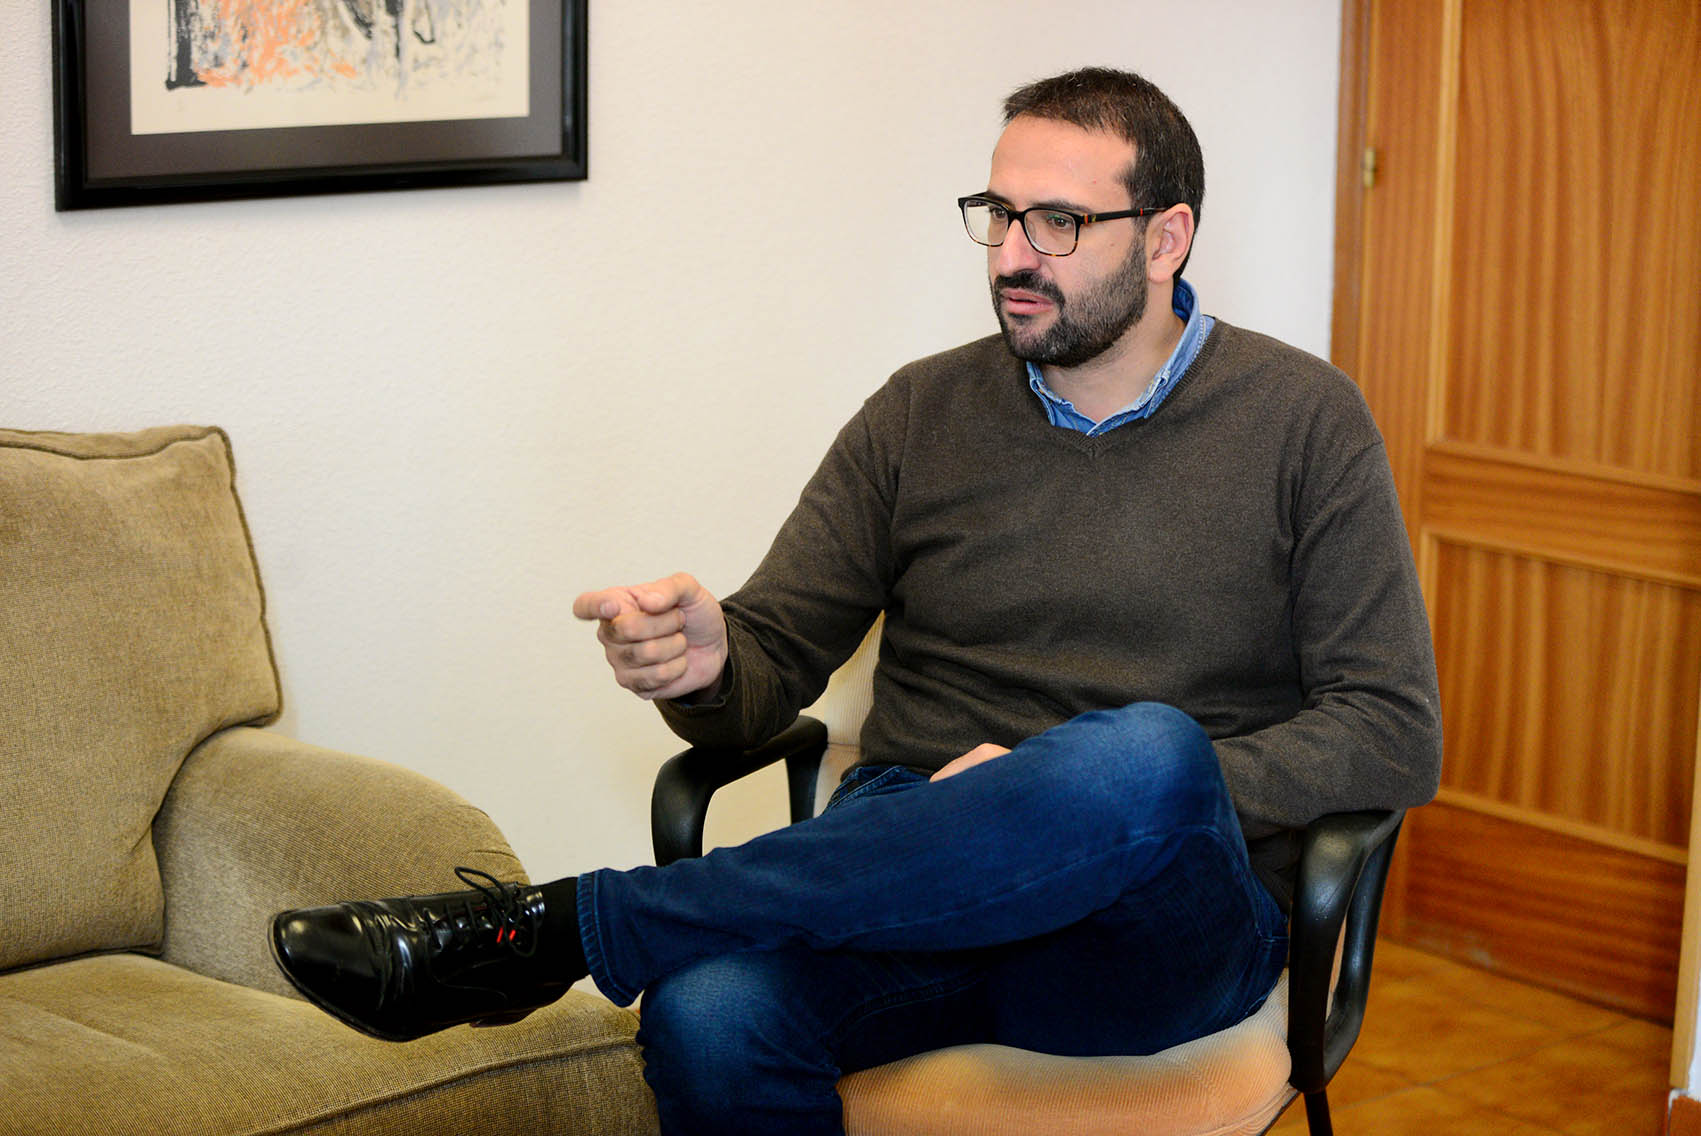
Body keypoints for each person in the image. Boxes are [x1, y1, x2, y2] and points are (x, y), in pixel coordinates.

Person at [270, 66, 1442, 1134]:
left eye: (1060, 222)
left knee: (1142, 755)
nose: (1011, 257)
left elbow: (1393, 727)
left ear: (1167, 237)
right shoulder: (919, 413)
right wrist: (710, 658)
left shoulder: (1305, 422)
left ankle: (569, 927)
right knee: (709, 1011)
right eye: (997, 215)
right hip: (911, 887)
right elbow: (774, 653)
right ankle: (597, 934)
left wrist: (1057, 790)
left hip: (1148, 924)